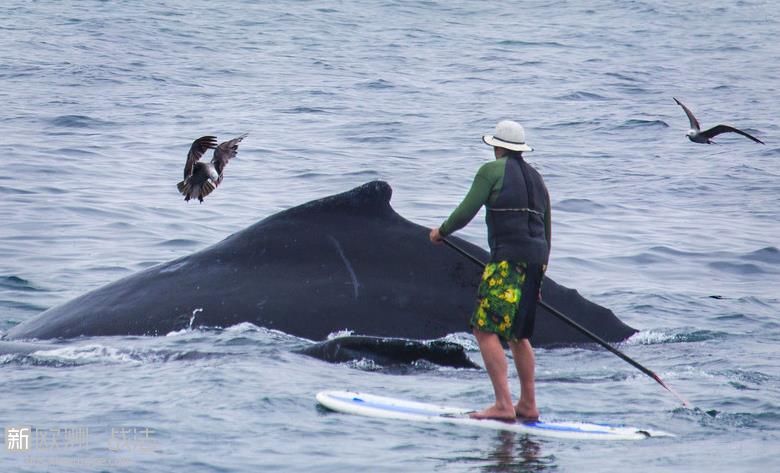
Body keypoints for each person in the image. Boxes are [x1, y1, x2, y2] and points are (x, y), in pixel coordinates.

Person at [429, 120, 551, 421]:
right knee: (518, 335)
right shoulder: (538, 179)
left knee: (484, 329)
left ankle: (503, 405)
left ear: (497, 146)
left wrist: (442, 231)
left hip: (507, 261)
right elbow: (547, 230)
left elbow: (466, 211)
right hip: (536, 261)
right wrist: (540, 275)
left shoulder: (491, 171)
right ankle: (528, 405)